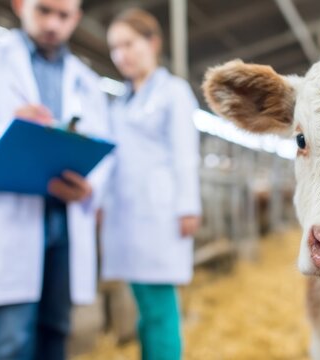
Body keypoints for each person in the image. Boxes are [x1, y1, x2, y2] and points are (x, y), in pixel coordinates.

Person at [0, 0, 111, 358]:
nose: (53, 23)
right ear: (20, 4)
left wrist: (91, 187)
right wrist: (9, 132)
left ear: (77, 18)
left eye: (63, 15)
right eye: (44, 10)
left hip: (66, 221)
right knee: (11, 342)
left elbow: (103, 152)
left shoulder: (87, 81)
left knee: (57, 332)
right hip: (9, 219)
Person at [102, 8, 202, 360]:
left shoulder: (172, 91)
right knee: (144, 304)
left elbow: (185, 153)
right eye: (115, 47)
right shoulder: (120, 102)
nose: (121, 55)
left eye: (128, 43)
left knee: (158, 308)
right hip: (127, 215)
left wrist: (188, 206)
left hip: (161, 215)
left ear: (153, 42)